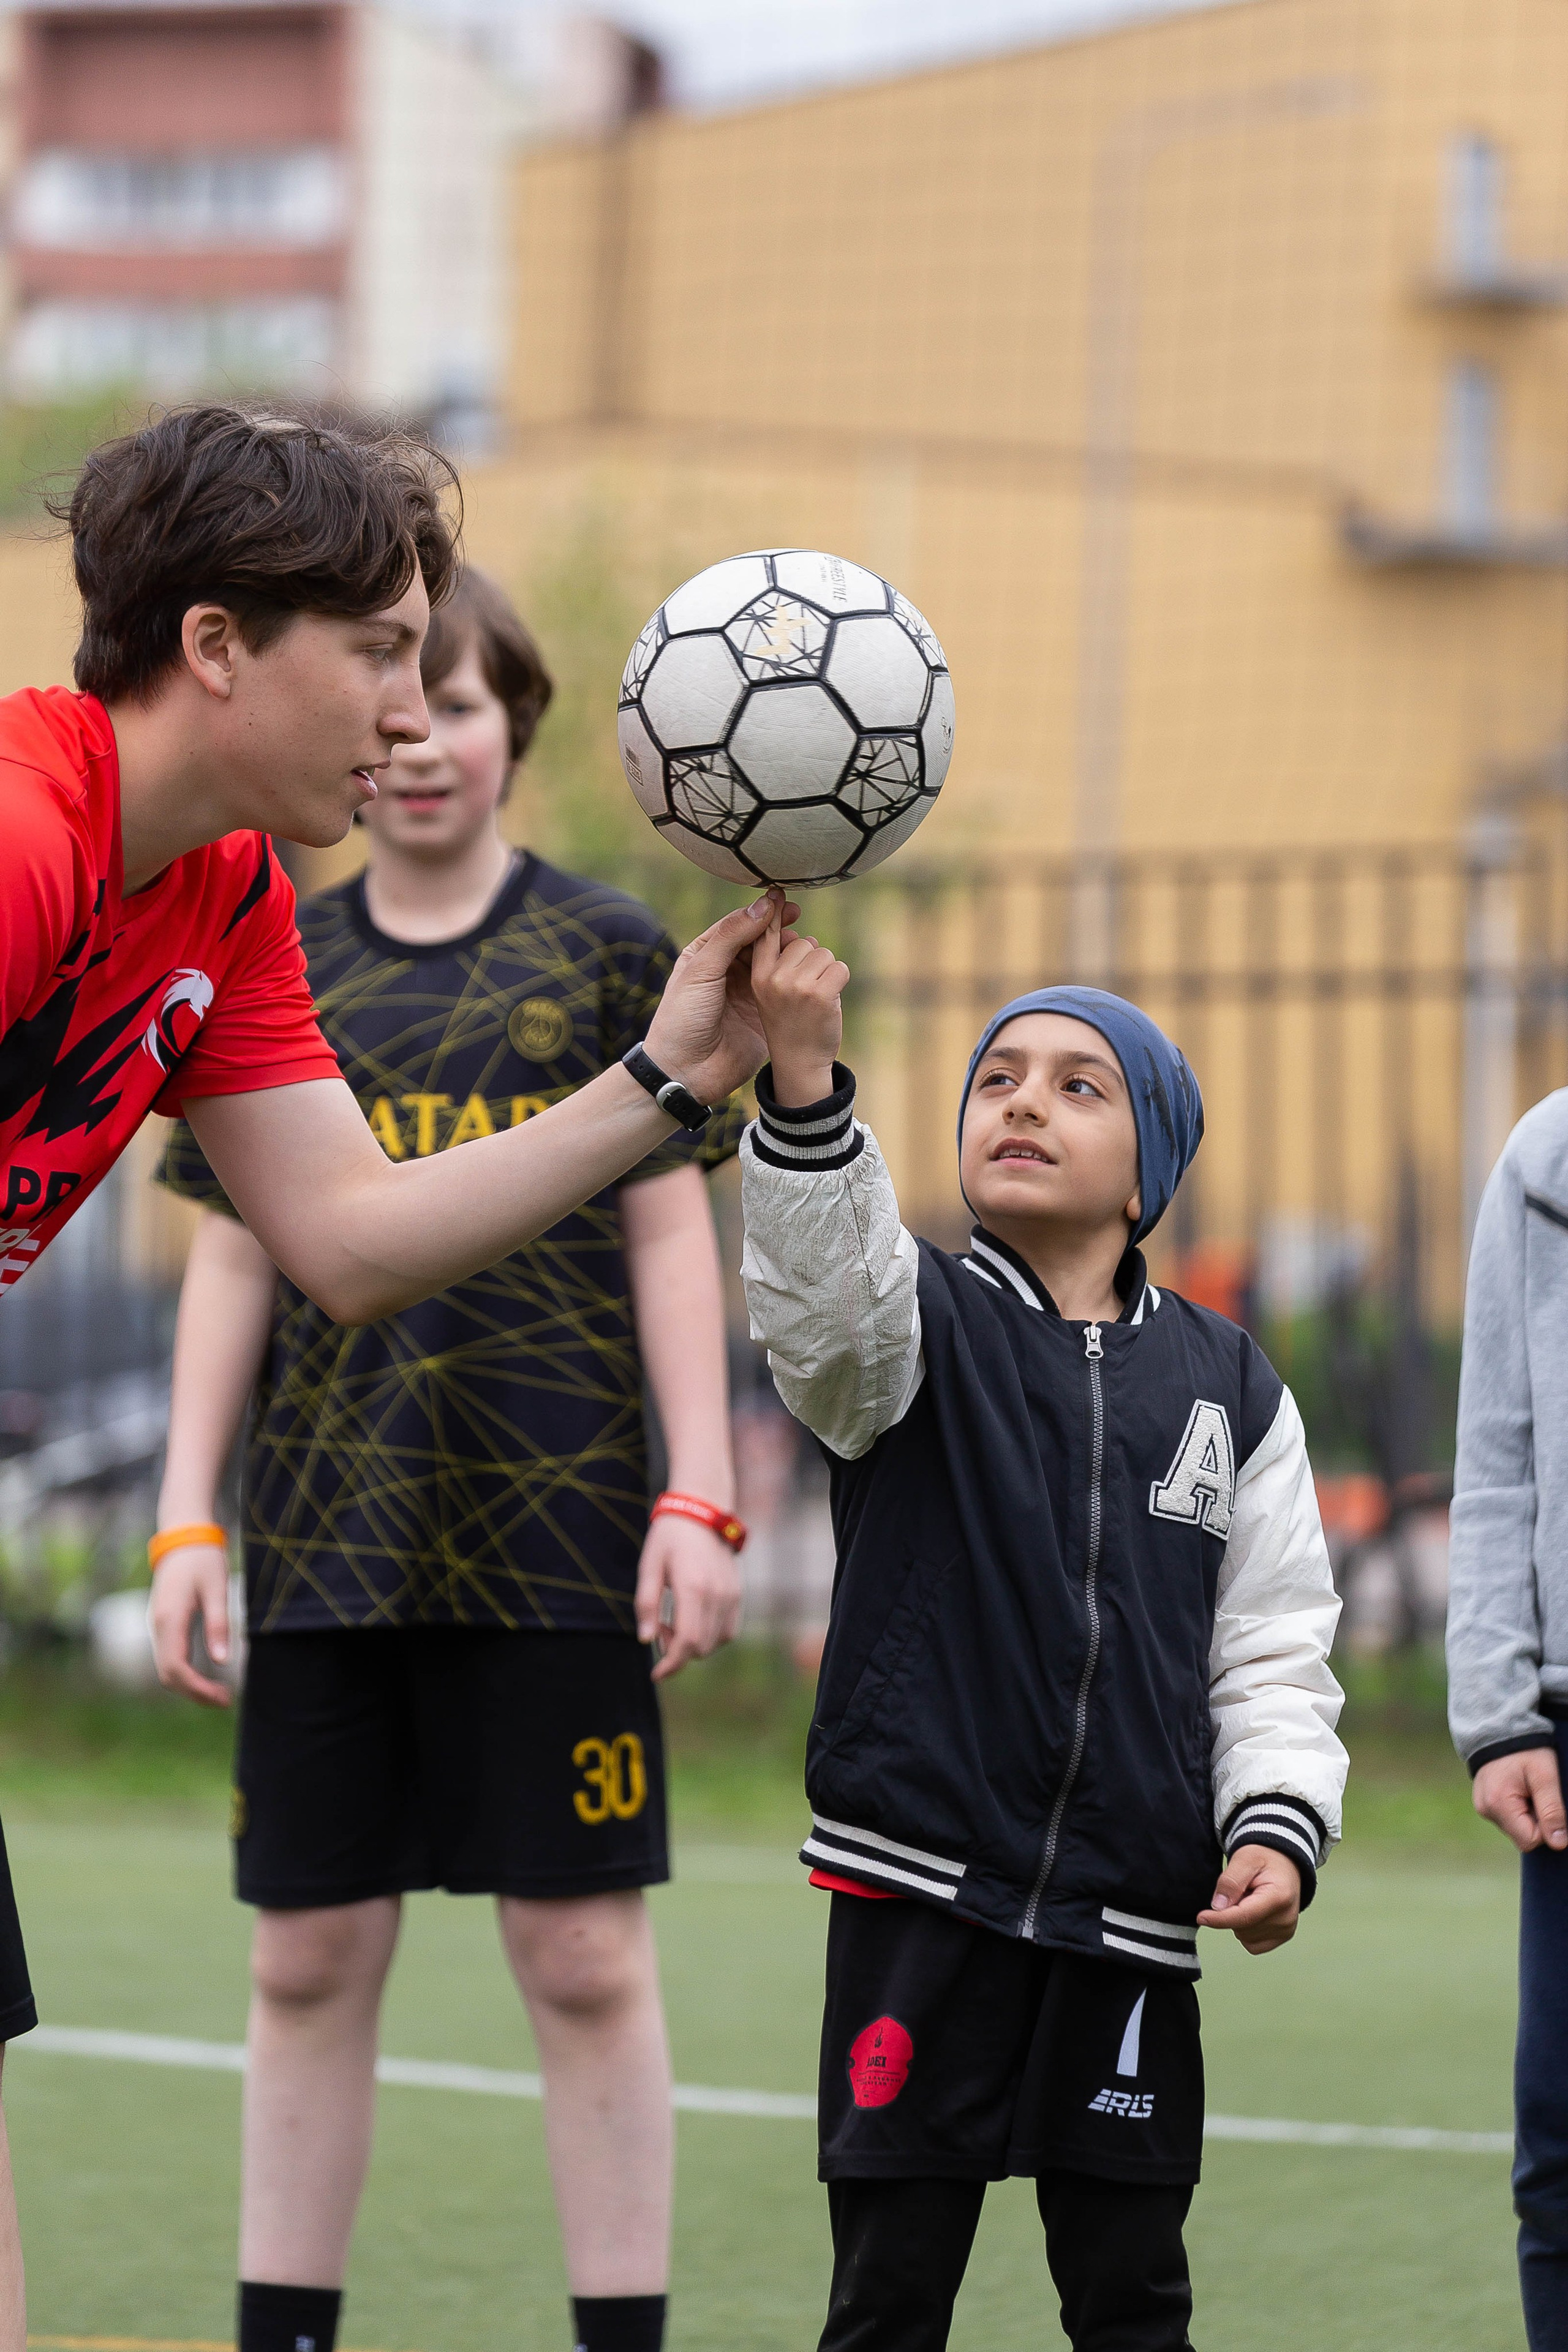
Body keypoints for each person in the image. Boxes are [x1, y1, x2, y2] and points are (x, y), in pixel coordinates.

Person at [0, 402, 783, 2347]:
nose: (415, 699)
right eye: (375, 650)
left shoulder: (226, 894)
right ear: (216, 648)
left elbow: (345, 1240)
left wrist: (667, 1081)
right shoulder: (26, 840)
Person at [148, 565, 744, 2352]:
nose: (420, 738)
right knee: (305, 1955)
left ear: (518, 735)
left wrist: (699, 1494)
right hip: (327, 1536)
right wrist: (187, 1518)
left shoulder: (611, 953)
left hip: (555, 1535)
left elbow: (665, 1243)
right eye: (401, 697)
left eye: (464, 704)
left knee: (579, 1957)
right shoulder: (273, 942)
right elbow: (239, 1248)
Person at [737, 900, 1348, 2352]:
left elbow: (1270, 1640)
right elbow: (823, 1311)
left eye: (1079, 1085)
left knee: (1132, 2298)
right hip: (919, 1894)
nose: (1023, 1101)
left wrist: (1271, 1822)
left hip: (1130, 1914)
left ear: (1153, 1166)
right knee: (887, 2296)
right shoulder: (913, 1327)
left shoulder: (1231, 1389)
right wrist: (805, 1085)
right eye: (998, 1077)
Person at [1447, 1098, 1568, 2350]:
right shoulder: (1545, 1159)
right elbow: (1494, 1454)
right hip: (1564, 1729)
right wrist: (1497, 1711)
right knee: (1556, 2158)